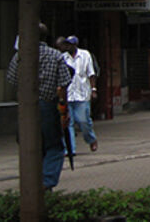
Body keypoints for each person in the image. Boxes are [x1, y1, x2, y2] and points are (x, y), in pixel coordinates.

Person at [7, 24, 72, 191]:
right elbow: (63, 84)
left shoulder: (20, 56)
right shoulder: (55, 55)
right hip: (47, 105)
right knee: (54, 146)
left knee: (30, 143)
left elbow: (12, 80)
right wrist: (64, 109)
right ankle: (46, 181)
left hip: (25, 107)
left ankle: (34, 180)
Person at [62, 35, 98, 151]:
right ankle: (70, 149)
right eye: (66, 44)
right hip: (68, 95)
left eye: (70, 44)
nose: (68, 47)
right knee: (68, 123)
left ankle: (91, 139)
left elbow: (91, 74)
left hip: (82, 95)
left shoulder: (85, 55)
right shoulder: (63, 58)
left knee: (83, 121)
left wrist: (93, 90)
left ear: (75, 45)